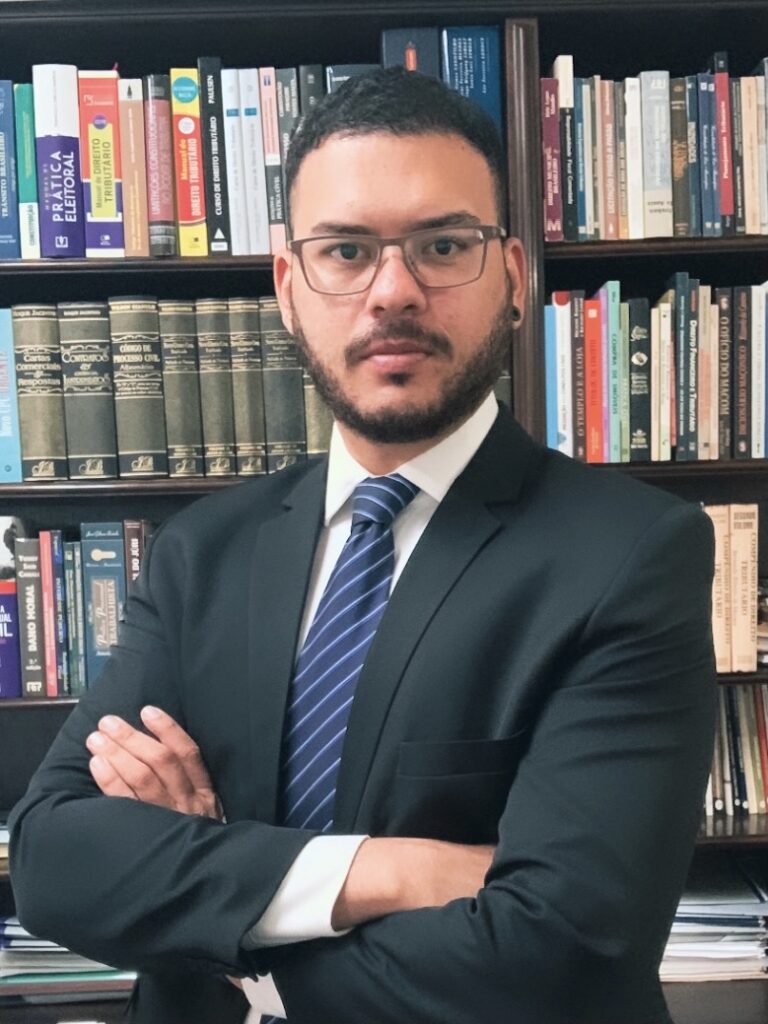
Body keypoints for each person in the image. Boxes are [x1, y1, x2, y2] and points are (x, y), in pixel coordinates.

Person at [10, 67, 716, 1024]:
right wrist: (399, 869)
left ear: (513, 278)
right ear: (288, 287)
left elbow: (562, 945)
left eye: (443, 246)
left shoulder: (632, 554)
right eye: (345, 251)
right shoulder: (200, 552)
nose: (394, 291)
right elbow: (53, 857)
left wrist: (223, 923)